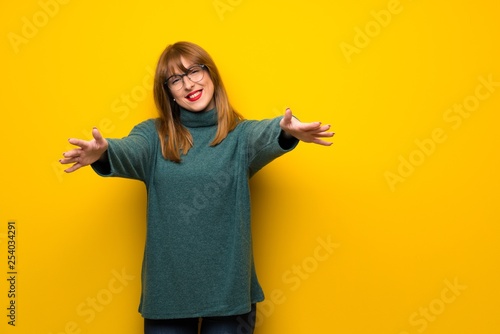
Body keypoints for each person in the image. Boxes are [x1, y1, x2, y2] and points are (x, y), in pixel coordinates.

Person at [59, 41, 334, 334]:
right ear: (169, 94)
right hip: (167, 297)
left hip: (229, 295)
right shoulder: (154, 137)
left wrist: (285, 130)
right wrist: (104, 152)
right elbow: (129, 150)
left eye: (194, 71)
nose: (188, 83)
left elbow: (264, 133)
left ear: (211, 73)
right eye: (176, 79)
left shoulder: (239, 137)